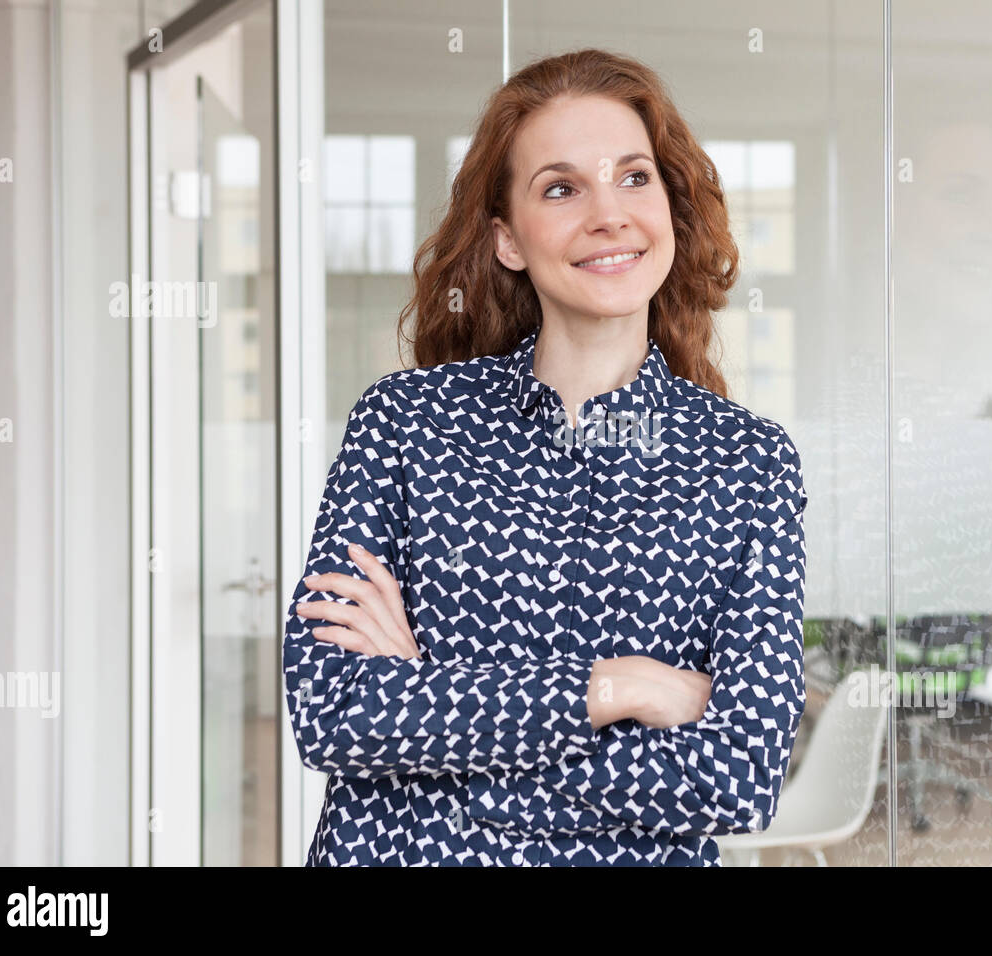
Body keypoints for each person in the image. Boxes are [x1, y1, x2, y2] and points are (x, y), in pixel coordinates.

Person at [284, 48, 808, 866]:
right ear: (508, 240)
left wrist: (430, 726)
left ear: (669, 208)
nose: (608, 215)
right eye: (561, 188)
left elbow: (741, 776)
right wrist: (620, 688)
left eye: (633, 178)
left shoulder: (748, 465)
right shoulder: (404, 424)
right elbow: (332, 707)